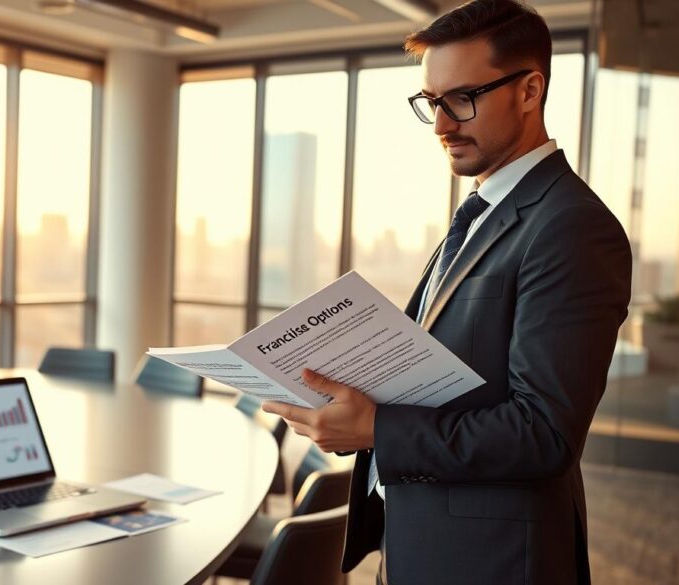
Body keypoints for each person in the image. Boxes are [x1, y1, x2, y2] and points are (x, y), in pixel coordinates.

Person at [261, 1, 632, 583]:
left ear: (530, 90)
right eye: (432, 102)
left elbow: (544, 432)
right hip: (420, 544)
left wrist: (376, 430)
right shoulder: (484, 212)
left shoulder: (570, 226)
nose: (441, 124)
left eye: (462, 99)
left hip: (493, 562)